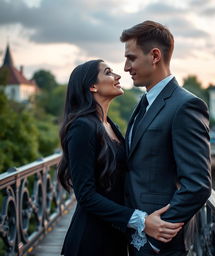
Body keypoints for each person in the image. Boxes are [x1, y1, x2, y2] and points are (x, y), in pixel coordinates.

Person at [58, 59, 184, 256]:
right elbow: (85, 195)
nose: (117, 76)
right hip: (91, 241)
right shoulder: (82, 126)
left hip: (114, 236)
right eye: (108, 72)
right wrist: (141, 221)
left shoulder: (109, 124)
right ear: (92, 86)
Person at [120, 20, 212, 256]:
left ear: (155, 56)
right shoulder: (144, 102)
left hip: (160, 245)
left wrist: (156, 234)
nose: (125, 67)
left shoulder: (186, 106)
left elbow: (198, 184)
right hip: (135, 237)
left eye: (131, 58)